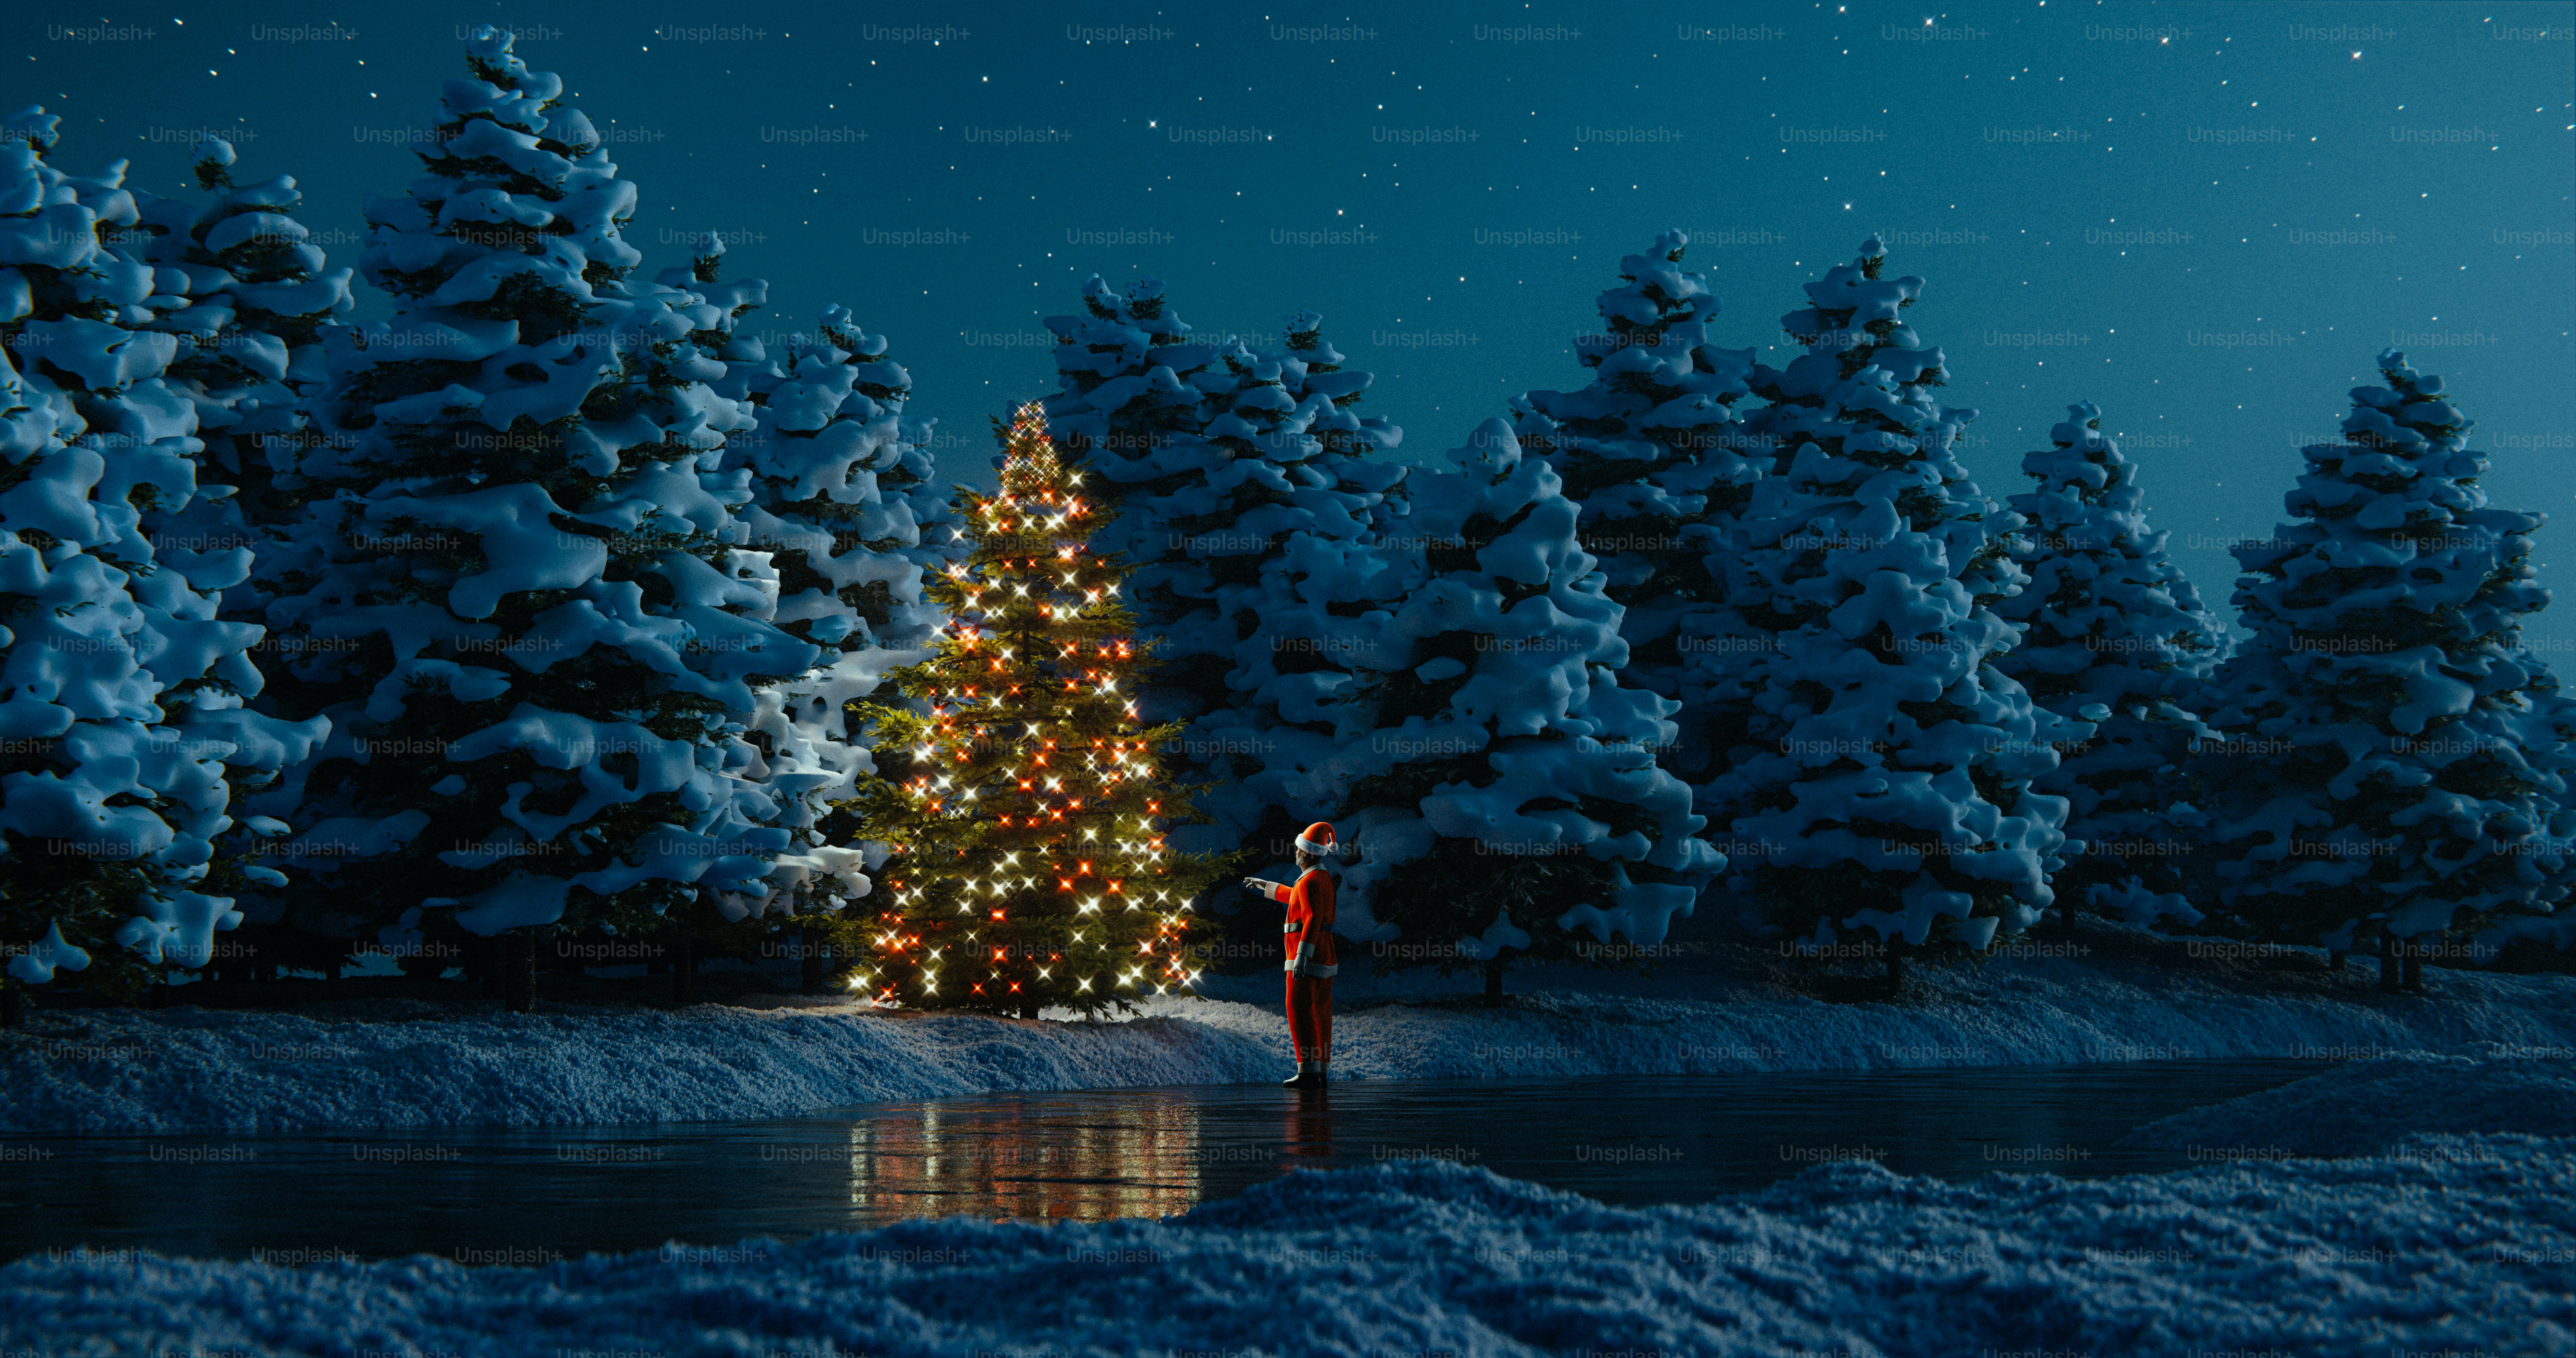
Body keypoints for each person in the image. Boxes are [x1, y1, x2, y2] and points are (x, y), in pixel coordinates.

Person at [1244, 822, 1341, 1088]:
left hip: (1307, 958)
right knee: (1320, 1010)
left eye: (1298, 850)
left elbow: (1311, 917)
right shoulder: (1319, 879)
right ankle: (1320, 1069)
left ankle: (1308, 1072)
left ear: (1308, 854)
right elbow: (1297, 898)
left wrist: (1302, 955)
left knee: (1299, 1009)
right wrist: (1268, 887)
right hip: (1324, 956)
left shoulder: (1311, 881)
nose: (1295, 853)